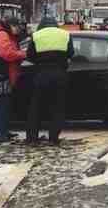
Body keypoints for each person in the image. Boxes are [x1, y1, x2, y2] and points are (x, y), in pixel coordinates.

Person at [26, 16, 74, 145]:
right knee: (57, 107)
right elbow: (71, 53)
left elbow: (29, 55)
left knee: (36, 107)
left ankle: (32, 138)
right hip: (60, 74)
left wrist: (39, 61)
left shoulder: (36, 35)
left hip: (41, 75)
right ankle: (53, 138)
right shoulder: (65, 34)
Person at [0, 17, 26, 143]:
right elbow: (7, 54)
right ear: (10, 25)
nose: (18, 30)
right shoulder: (2, 35)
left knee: (5, 106)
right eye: (17, 27)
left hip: (4, 75)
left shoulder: (6, 34)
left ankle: (3, 131)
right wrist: (23, 54)